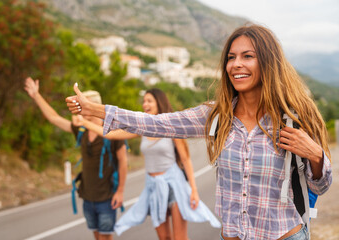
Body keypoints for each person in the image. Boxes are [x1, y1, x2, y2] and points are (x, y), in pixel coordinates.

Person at [65, 24, 332, 240]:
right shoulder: (216, 115)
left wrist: (317, 156)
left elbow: (320, 185)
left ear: (268, 62)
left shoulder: (294, 117)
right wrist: (97, 110)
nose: (236, 64)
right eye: (231, 57)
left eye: (247, 56)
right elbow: (156, 123)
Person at [73, 88, 220, 240]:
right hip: (153, 186)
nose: (145, 104)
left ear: (159, 103)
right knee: (164, 237)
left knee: (179, 238)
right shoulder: (143, 129)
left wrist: (193, 190)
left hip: (174, 185)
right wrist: (85, 122)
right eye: (144, 101)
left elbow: (185, 159)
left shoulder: (171, 126)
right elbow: (111, 134)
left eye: (149, 101)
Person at [24, 77, 127, 240]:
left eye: (82, 106)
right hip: (87, 196)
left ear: (92, 107)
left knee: (105, 238)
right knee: (96, 235)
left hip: (107, 197)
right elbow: (54, 118)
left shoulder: (111, 132)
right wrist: (36, 95)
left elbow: (123, 161)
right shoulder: (82, 130)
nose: (78, 110)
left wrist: (120, 191)